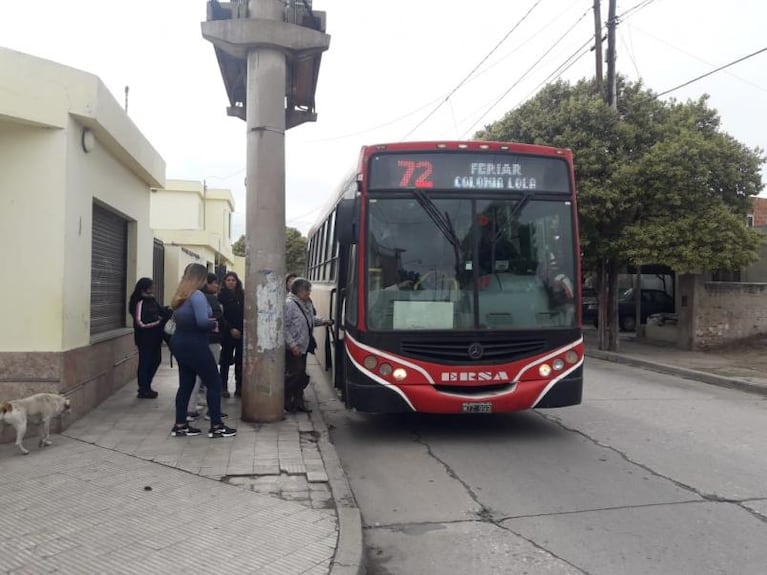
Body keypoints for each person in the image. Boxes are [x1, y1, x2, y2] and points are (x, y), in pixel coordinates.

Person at [169, 263, 236, 438]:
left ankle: (180, 425)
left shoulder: (180, 295)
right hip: (195, 343)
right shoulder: (197, 296)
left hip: (179, 341)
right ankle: (216, 426)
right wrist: (213, 322)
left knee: (186, 384)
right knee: (214, 383)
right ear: (201, 278)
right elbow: (201, 322)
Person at [284, 278, 332, 412]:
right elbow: (284, 327)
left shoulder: (307, 303)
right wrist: (293, 345)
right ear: (299, 291)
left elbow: (310, 319)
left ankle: (299, 402)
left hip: (304, 346)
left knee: (300, 374)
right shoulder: (289, 304)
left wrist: (323, 321)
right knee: (296, 374)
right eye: (307, 291)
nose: (309, 293)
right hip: (294, 347)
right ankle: (286, 399)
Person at [186, 274, 228, 421]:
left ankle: (190, 409)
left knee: (195, 377)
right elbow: (217, 318)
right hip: (211, 341)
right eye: (215, 283)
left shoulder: (189, 296)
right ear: (206, 284)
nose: (218, 286)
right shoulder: (208, 298)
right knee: (211, 378)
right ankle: (212, 412)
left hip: (195, 340)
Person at [128, 278, 169, 399]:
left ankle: (147, 385)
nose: (153, 289)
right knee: (145, 362)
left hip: (156, 337)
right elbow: (140, 322)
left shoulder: (152, 300)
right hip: (145, 338)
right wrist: (158, 322)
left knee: (156, 360)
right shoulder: (139, 302)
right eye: (151, 287)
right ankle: (143, 388)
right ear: (144, 288)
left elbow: (161, 312)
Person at [218, 271, 244, 398]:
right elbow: (220, 315)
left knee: (240, 359)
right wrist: (231, 329)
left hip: (242, 332)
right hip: (227, 333)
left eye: (233, 280)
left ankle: (239, 386)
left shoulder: (242, 295)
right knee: (225, 360)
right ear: (224, 282)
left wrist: (240, 329)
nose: (231, 282)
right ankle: (223, 386)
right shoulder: (221, 296)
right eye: (228, 280)